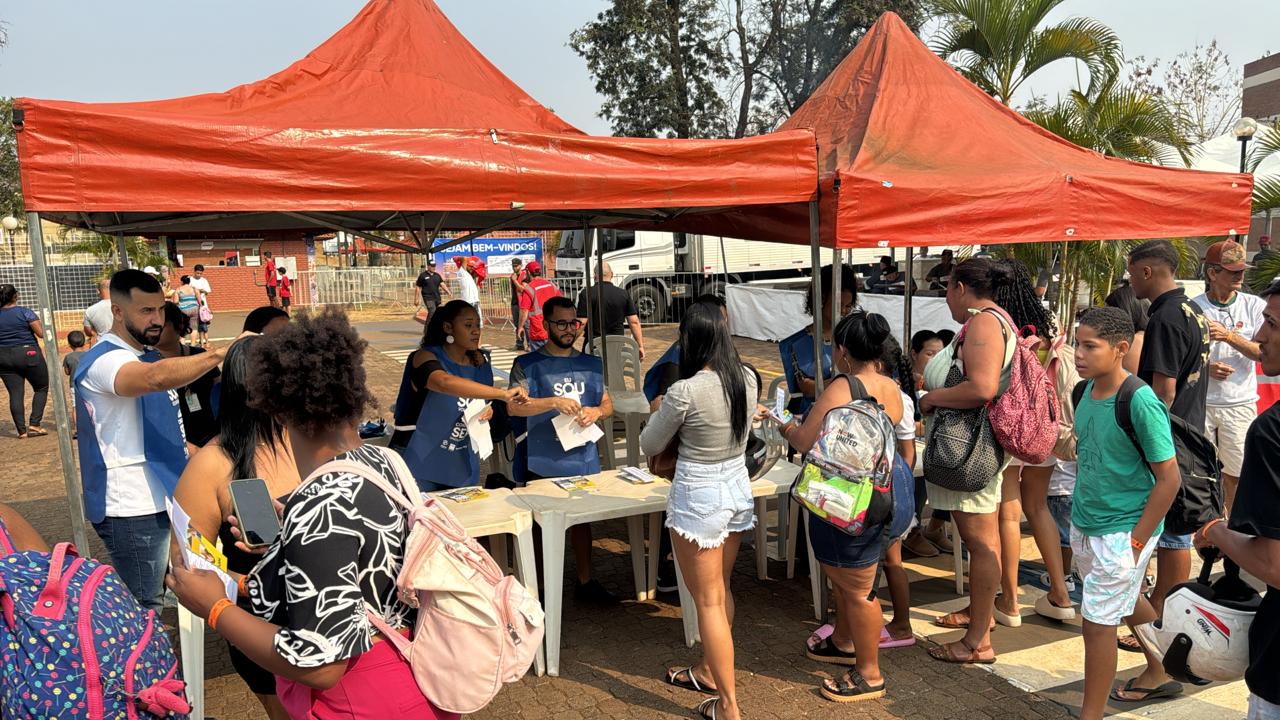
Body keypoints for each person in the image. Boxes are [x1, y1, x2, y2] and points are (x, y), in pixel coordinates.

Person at [167, 309, 460, 720]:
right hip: (422, 673)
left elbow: (321, 665)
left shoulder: (316, 504)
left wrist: (216, 608)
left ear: (278, 409)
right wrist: (288, 535)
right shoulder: (385, 461)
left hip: (360, 700)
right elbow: (362, 555)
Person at [73, 269, 239, 611]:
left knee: (193, 581)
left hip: (166, 497)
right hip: (131, 507)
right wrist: (220, 354)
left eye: (160, 309)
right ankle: (143, 663)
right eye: (145, 311)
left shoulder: (145, 355)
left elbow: (168, 433)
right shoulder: (105, 359)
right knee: (145, 606)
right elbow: (153, 380)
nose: (157, 320)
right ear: (117, 311)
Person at [777, 311, 911, 703]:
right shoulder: (891, 385)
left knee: (857, 590)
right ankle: (843, 640)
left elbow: (803, 440)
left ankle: (869, 674)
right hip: (891, 486)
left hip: (850, 498)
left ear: (842, 351)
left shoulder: (843, 386)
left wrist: (783, 423)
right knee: (854, 578)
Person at [640, 303, 758, 720]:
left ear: (689, 338)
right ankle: (710, 670)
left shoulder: (685, 390)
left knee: (707, 601)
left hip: (699, 493)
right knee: (721, 591)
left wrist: (657, 410)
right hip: (736, 486)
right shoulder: (746, 378)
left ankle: (728, 705)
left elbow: (650, 445)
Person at [172, 336, 299, 720]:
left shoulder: (313, 441)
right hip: (262, 627)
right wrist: (249, 584)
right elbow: (186, 567)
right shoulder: (212, 464)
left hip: (329, 613)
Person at [1069, 307, 1182, 715]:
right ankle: (1163, 668)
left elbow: (1169, 479)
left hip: (1124, 529)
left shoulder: (1140, 400)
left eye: (1089, 346)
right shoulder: (1082, 392)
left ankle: (1091, 714)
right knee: (1127, 600)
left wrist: (1136, 541)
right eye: (1077, 343)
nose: (1078, 353)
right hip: (1086, 522)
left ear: (1119, 349)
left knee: (1097, 624)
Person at [920, 257, 1018, 664]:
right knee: (985, 540)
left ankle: (977, 640)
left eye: (947, 288)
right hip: (974, 444)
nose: (946, 298)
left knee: (979, 543)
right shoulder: (995, 320)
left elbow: (981, 388)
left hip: (969, 448)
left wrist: (931, 398)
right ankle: (980, 624)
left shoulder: (983, 323)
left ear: (961, 288)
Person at [1192, 276, 1280, 720]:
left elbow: (1273, 566)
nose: (1261, 335)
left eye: (1273, 324)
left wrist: (1216, 531)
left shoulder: (1272, 432)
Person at [508, 296, 617, 605]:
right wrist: (552, 402)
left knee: (582, 523)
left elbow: (608, 403)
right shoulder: (527, 365)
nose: (569, 330)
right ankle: (538, 587)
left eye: (574, 323)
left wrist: (597, 411)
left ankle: (586, 580)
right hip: (542, 460)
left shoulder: (591, 363)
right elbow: (514, 409)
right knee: (540, 525)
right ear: (545, 324)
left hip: (582, 456)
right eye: (561, 323)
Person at [991, 259, 1080, 624]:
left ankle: (1009, 602)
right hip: (1043, 429)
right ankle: (1060, 593)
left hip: (1011, 430)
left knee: (1008, 514)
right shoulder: (1048, 324)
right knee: (1038, 507)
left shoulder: (999, 326)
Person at [1126, 239, 1210, 614]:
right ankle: (1165, 605)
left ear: (1147, 271)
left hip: (1171, 435)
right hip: (1189, 429)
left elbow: (1164, 390)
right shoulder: (1191, 309)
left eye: (1131, 273)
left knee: (1173, 531)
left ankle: (1162, 607)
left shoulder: (1166, 316)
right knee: (1175, 527)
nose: (1130, 282)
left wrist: (1144, 440)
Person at [391, 300, 526, 491]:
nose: (476, 331)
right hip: (418, 459)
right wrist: (502, 394)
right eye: (468, 325)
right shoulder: (423, 356)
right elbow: (443, 382)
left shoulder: (481, 362)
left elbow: (483, 401)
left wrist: (489, 411)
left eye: (478, 325)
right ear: (448, 327)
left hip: (461, 461)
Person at [1192, 240, 1265, 514]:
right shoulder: (1193, 306)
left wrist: (1229, 336)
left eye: (1241, 270)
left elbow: (1263, 352)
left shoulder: (1255, 306)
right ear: (1212, 273)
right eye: (1233, 271)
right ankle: (1208, 531)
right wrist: (1205, 366)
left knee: (1236, 474)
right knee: (1202, 473)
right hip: (1202, 404)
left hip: (1240, 404)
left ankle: (1235, 529)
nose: (1240, 276)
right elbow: (1180, 356)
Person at [778, 264, 857, 417]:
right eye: (839, 305)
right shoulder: (796, 344)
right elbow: (807, 388)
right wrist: (851, 381)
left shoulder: (855, 337)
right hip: (812, 416)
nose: (843, 311)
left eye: (848, 306)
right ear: (820, 299)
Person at [901, 329, 951, 557]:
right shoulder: (901, 382)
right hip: (911, 444)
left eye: (940, 355)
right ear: (914, 353)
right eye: (930, 354)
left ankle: (935, 526)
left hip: (931, 443)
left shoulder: (943, 381)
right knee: (916, 470)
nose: (935, 360)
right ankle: (912, 530)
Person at [156, 302, 221, 451]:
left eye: (162, 325)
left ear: (179, 326)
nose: (155, 330)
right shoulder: (146, 364)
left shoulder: (201, 356)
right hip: (171, 443)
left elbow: (220, 388)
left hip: (210, 437)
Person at [644, 294, 727, 409]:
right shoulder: (678, 355)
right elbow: (664, 402)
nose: (724, 326)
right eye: (721, 320)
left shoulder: (726, 353)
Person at [0, 284, 49, 438]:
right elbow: (41, 333)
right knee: (41, 387)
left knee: (15, 393)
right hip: (28, 353)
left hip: (3, 356)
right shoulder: (25, 312)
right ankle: (34, 424)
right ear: (16, 295)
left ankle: (21, 431)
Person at [575, 261, 645, 358]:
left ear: (595, 275)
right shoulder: (623, 294)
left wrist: (570, 342)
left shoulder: (586, 293)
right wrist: (640, 346)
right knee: (616, 371)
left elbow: (582, 322)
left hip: (593, 346)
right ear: (612, 275)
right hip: (617, 346)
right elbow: (634, 322)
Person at [1105, 282, 1150, 375]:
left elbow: (1129, 383)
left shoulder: (1135, 342)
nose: (1108, 318)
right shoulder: (1148, 335)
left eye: (1111, 312)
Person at [516, 261, 560, 352]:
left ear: (528, 272)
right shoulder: (551, 285)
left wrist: (520, 327)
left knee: (538, 361)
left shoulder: (529, 288)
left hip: (538, 330)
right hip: (553, 330)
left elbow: (524, 310)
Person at [82, 278, 113, 346]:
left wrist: (94, 332)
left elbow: (88, 332)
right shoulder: (124, 305)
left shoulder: (90, 310)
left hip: (102, 345)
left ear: (98, 291)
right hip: (123, 346)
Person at [190, 263, 213, 347]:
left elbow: (207, 291)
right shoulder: (190, 279)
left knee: (204, 323)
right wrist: (196, 291)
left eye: (200, 273)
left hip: (202, 305)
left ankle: (205, 341)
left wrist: (200, 290)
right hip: (192, 303)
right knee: (194, 323)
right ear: (194, 271)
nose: (199, 275)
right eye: (197, 273)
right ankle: (195, 340)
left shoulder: (204, 280)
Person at [509, 258, 528, 350]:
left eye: (516, 266)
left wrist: (515, 281)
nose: (514, 267)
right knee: (517, 325)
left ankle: (529, 344)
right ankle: (519, 344)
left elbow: (523, 289)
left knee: (525, 324)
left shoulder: (524, 276)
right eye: (513, 266)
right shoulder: (512, 276)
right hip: (514, 303)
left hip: (523, 303)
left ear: (521, 265)